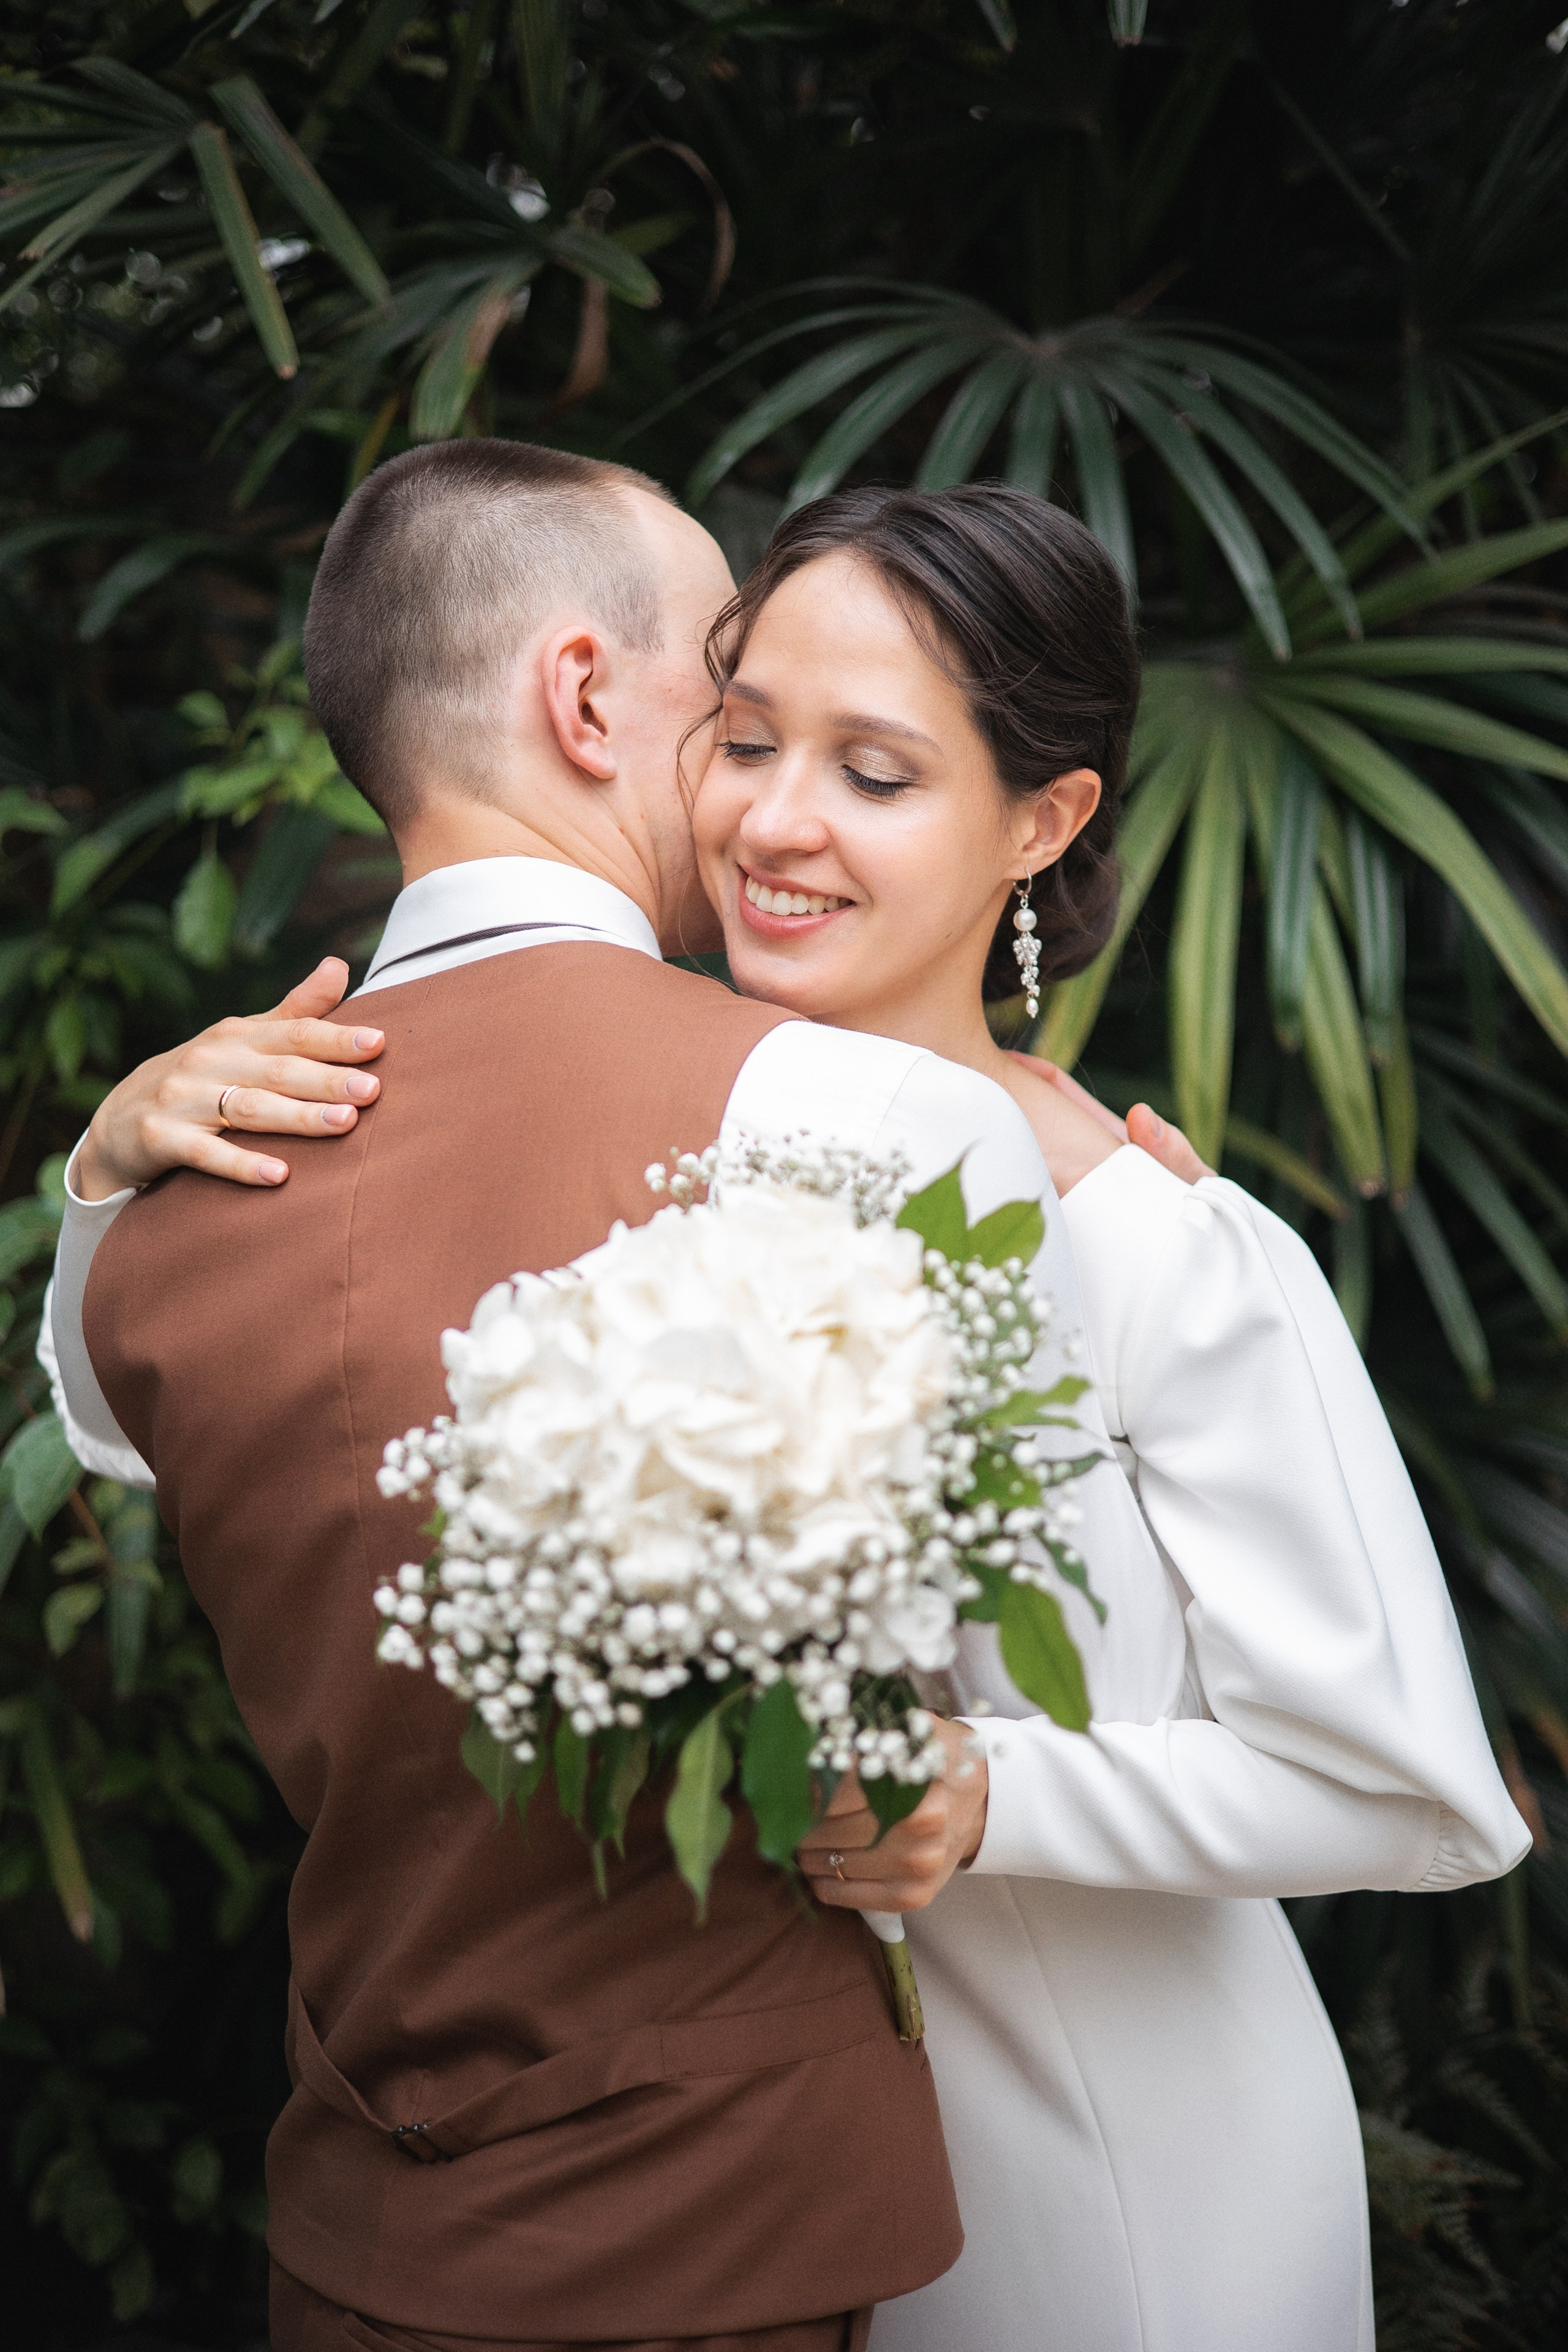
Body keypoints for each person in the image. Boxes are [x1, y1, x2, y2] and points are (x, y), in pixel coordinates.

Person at [45, 469, 1528, 2352]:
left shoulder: (1165, 1244)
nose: (771, 821)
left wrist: (994, 1793)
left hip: (1113, 2161)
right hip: (805, 2188)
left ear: (1040, 819)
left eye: (877, 775)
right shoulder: (681, 1199)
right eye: (743, 740)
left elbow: (1413, 1787)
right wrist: (116, 1174)